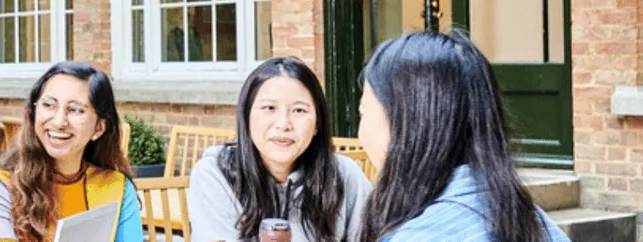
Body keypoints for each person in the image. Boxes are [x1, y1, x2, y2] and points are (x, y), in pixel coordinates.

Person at [355, 31, 570, 242]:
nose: (360, 132)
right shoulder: (529, 218)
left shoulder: (424, 234)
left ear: (409, 127)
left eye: (363, 111)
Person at [186, 57, 373, 242]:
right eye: (269, 108)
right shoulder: (216, 173)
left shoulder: (344, 175)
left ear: (317, 122)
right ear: (246, 116)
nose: (284, 124)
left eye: (299, 110)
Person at [0, 62, 143, 242]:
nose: (59, 121)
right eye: (48, 105)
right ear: (34, 113)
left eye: (75, 109)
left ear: (98, 127)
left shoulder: (115, 187)